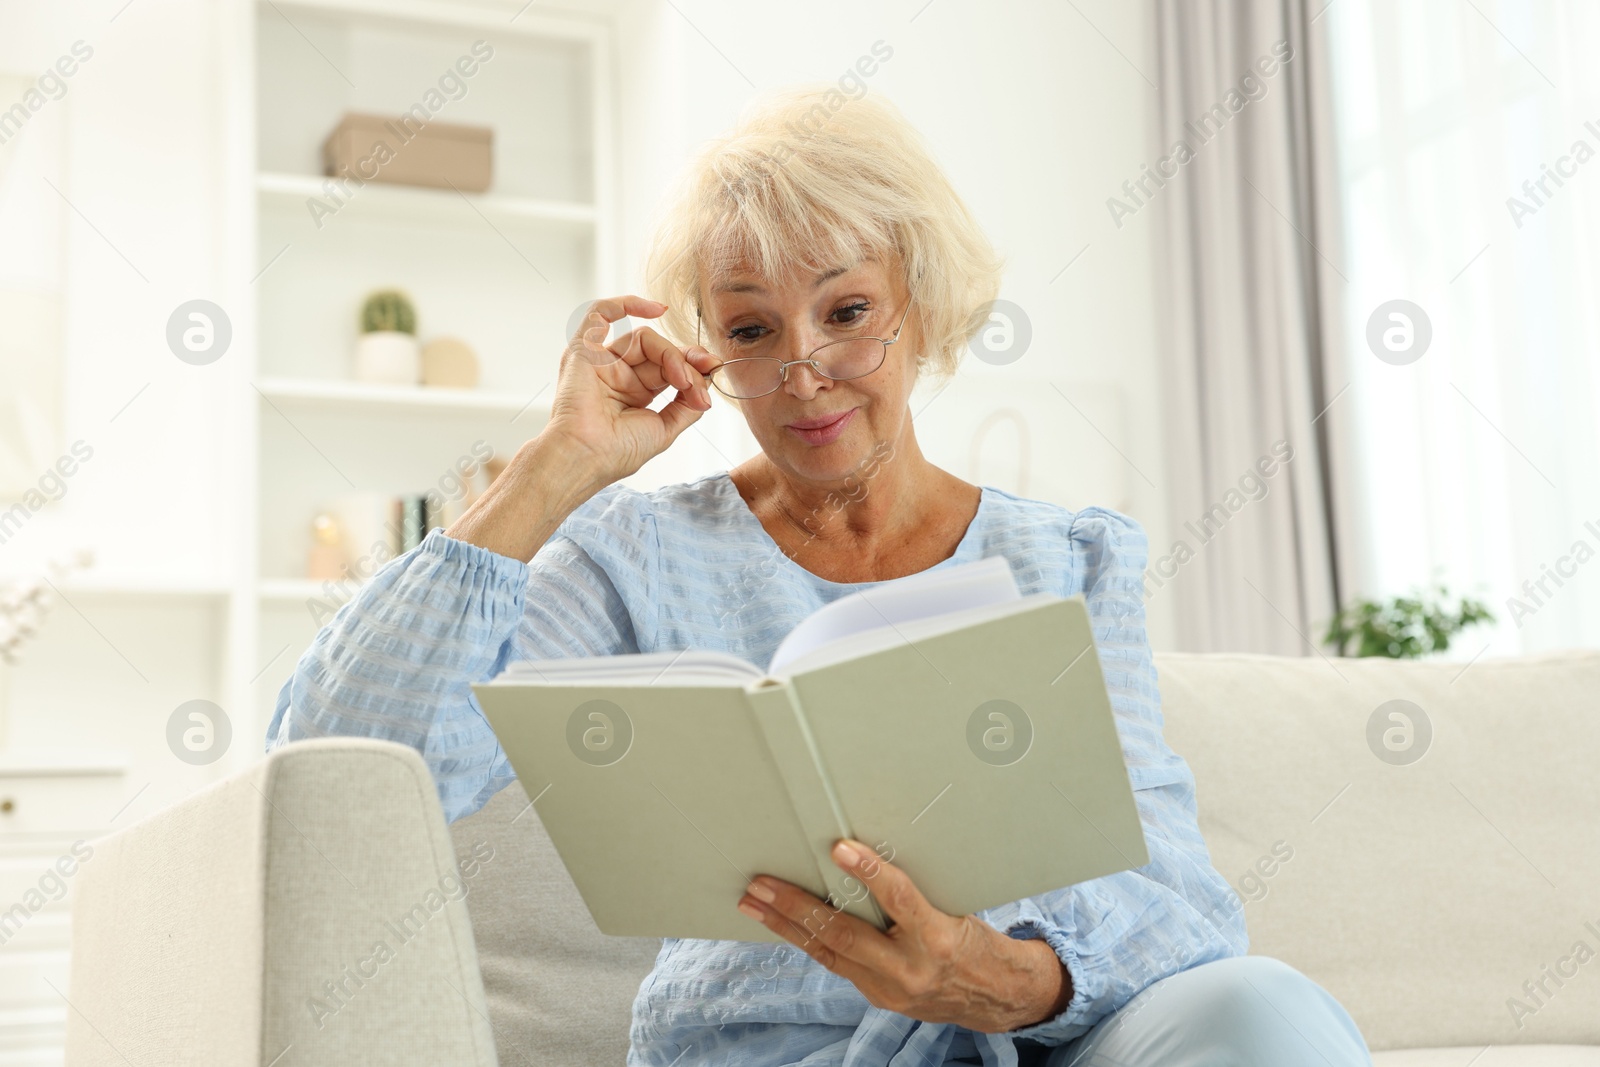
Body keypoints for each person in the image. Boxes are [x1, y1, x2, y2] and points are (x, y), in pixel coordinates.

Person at [266, 85, 1372, 1066]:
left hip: (1044, 1034)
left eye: (845, 312)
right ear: (709, 353)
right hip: (765, 1047)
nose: (802, 371)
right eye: (751, 328)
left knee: (1257, 1006)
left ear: (919, 305)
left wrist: (1004, 975)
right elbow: (344, 761)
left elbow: (1178, 905)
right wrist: (554, 471)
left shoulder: (1068, 556)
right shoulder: (628, 555)